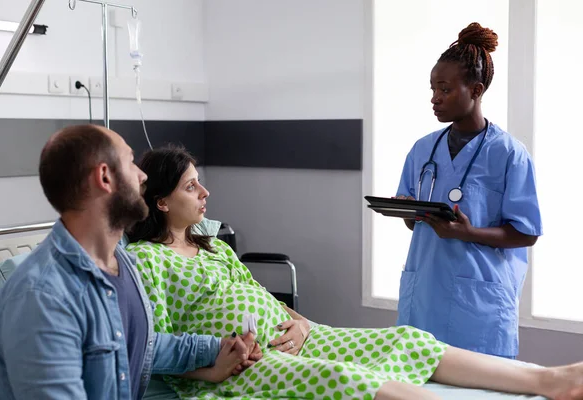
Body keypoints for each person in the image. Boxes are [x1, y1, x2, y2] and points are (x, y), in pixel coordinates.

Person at [125, 145, 583, 400]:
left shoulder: (212, 248)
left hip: (295, 337)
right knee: (345, 380)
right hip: (241, 366)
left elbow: (261, 298)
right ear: (162, 201)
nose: (205, 191)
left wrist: (302, 323)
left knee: (406, 339)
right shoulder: (147, 260)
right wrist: (216, 370)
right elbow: (154, 349)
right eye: (191, 186)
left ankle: (552, 380)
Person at [0, 125, 260, 400]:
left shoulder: (121, 265)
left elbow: (144, 342)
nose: (143, 177)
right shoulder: (42, 296)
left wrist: (219, 349)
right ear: (105, 177)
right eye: (130, 162)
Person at [394, 22, 542, 358]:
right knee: (418, 383)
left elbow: (526, 233)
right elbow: (413, 222)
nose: (435, 99)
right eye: (432, 89)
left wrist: (468, 232)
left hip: (479, 304)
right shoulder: (422, 150)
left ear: (475, 90)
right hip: (425, 296)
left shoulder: (509, 154)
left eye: (444, 90)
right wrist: (407, 209)